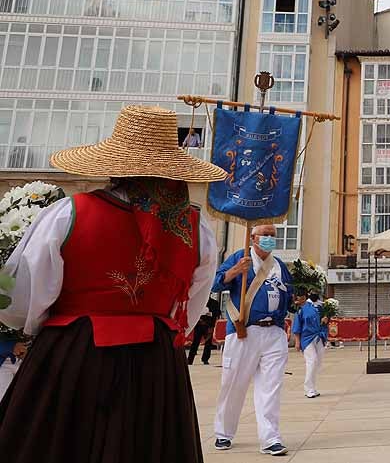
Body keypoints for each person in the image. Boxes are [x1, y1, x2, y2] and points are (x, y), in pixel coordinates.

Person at [0, 105, 225, 462]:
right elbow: (189, 308)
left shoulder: (68, 214)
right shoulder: (195, 228)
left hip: (74, 354)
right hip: (156, 363)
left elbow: (22, 299)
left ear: (113, 167)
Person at [213, 224, 294, 456]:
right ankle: (224, 433)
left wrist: (294, 302)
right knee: (233, 384)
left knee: (271, 387)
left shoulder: (279, 266)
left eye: (272, 235)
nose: (268, 239)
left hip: (274, 332)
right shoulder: (240, 257)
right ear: (253, 237)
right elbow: (216, 283)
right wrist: (235, 271)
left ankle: (270, 438)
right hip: (244, 331)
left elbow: (288, 294)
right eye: (264, 235)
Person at [291, 289, 328, 398]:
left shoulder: (321, 307)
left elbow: (325, 320)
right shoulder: (301, 310)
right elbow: (297, 326)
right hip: (306, 338)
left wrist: (326, 319)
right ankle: (308, 389)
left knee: (318, 363)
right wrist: (297, 342)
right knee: (312, 361)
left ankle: (313, 387)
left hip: (319, 336)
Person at [188, 296, 221, 365]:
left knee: (207, 343)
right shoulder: (199, 302)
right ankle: (190, 359)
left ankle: (204, 359)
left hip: (209, 326)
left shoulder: (214, 303)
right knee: (195, 342)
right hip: (200, 325)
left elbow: (217, 314)